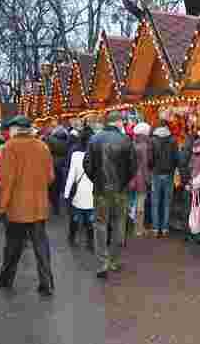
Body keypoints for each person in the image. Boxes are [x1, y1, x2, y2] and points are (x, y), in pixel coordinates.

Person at [0, 116, 55, 296]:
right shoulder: (42, 146)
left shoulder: (10, 147)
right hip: (38, 206)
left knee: (12, 247)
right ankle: (47, 283)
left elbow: (7, 181)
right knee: (41, 246)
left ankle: (5, 278)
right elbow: (50, 177)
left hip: (17, 208)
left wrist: (1, 207)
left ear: (15, 129)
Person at [83, 111, 137, 279]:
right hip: (120, 190)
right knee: (119, 223)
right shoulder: (126, 140)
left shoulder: (94, 139)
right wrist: (123, 182)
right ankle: (113, 259)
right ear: (119, 122)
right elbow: (132, 167)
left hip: (100, 190)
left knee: (100, 224)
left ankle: (102, 262)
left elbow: (87, 165)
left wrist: (97, 179)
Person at [64, 126, 95, 250]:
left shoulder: (76, 155)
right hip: (92, 192)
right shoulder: (97, 154)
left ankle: (72, 237)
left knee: (75, 217)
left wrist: (66, 193)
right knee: (90, 220)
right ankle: (90, 242)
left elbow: (71, 176)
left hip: (78, 192)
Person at [149, 121, 177, 238]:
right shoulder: (173, 140)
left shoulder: (152, 140)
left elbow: (150, 159)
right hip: (169, 174)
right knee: (167, 202)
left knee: (155, 202)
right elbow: (176, 158)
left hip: (156, 174)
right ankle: (165, 228)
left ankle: (155, 228)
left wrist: (152, 168)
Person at [128, 122, 152, 237]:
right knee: (140, 205)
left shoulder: (132, 143)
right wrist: (148, 180)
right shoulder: (144, 146)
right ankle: (139, 229)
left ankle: (130, 226)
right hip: (141, 178)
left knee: (131, 202)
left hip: (131, 178)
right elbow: (145, 165)